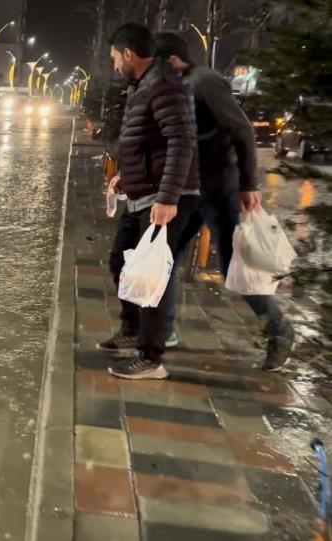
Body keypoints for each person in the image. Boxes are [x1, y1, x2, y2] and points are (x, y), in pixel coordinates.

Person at [154, 32, 295, 371]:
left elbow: (242, 129)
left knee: (236, 264)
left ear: (172, 60)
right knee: (165, 253)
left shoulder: (204, 81)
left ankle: (280, 331)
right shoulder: (186, 83)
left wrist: (249, 183)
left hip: (220, 188)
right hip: (196, 187)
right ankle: (163, 330)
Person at [99, 23, 201, 380]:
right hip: (145, 192)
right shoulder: (144, 85)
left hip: (165, 198)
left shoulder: (164, 85)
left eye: (114, 58)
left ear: (128, 55)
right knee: (121, 261)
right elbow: (149, 142)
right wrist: (127, 177)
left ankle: (150, 357)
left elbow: (181, 141)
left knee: (150, 275)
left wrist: (169, 197)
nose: (114, 66)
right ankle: (132, 331)